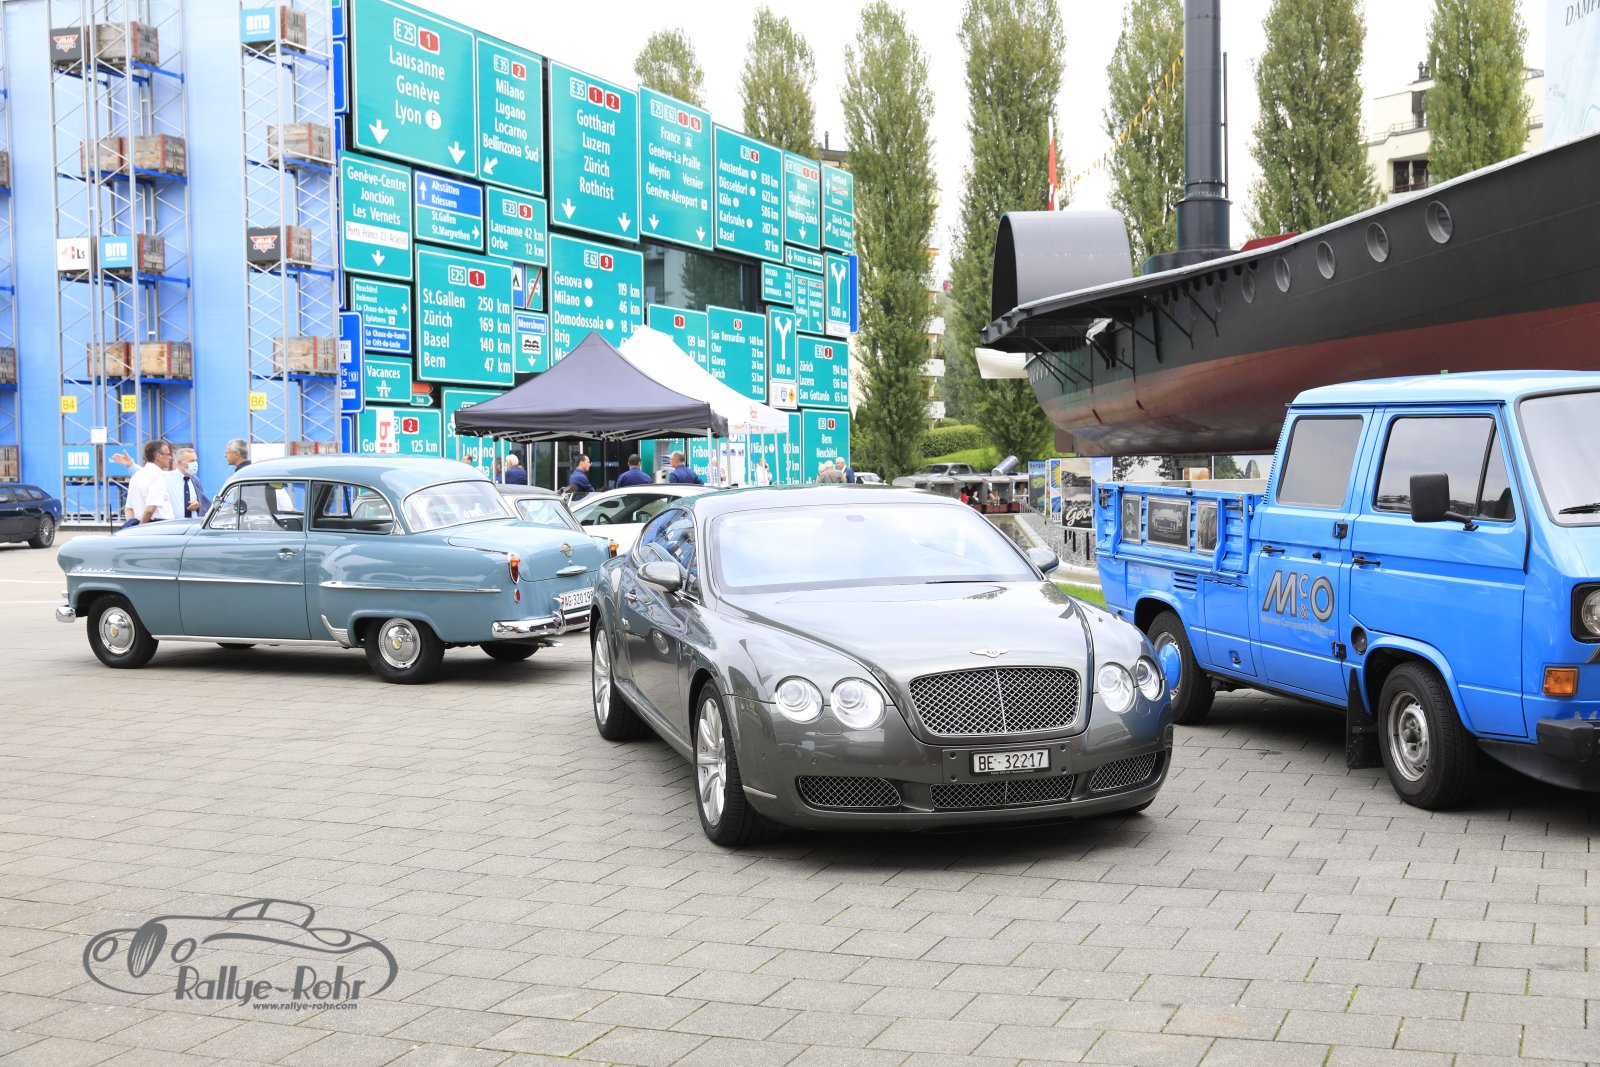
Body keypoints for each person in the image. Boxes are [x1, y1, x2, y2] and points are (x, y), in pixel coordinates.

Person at [124, 439, 175, 526]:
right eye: (168, 454)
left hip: (143, 525)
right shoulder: (156, 476)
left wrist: (132, 528)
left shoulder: (136, 476)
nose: (170, 458)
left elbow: (129, 509)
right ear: (159, 456)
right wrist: (141, 528)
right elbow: (150, 509)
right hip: (158, 526)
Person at [166, 446, 210, 519]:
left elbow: (205, 503)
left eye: (196, 461)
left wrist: (199, 505)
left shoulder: (196, 481)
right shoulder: (167, 479)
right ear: (180, 463)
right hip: (173, 523)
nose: (195, 464)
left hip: (193, 524)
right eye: (191, 461)